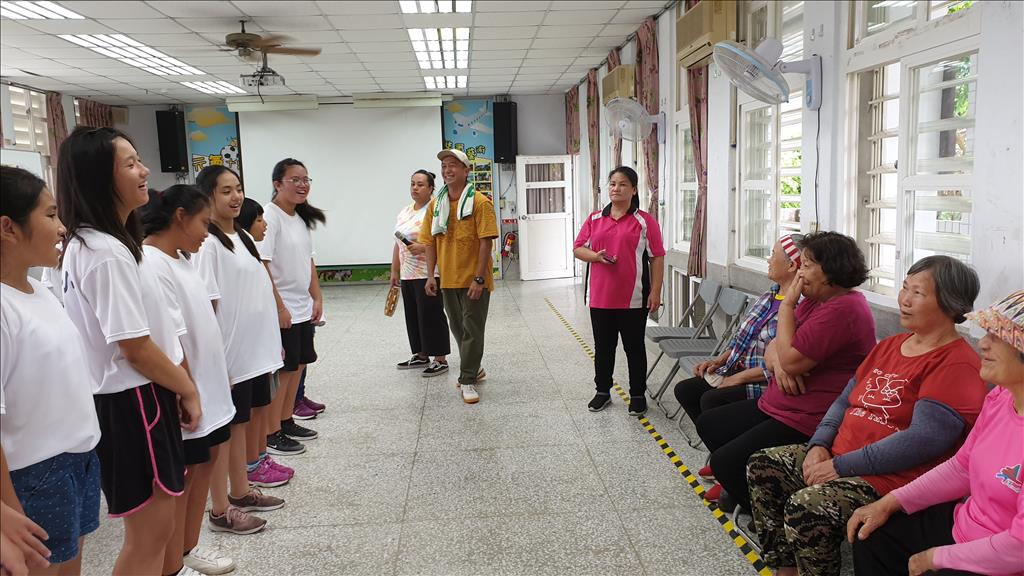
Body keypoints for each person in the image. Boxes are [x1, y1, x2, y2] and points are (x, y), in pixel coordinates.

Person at [747, 256, 988, 576]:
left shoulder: (957, 364)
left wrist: (839, 465)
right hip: (839, 457)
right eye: (904, 288)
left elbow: (922, 442)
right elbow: (844, 401)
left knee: (807, 505)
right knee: (764, 465)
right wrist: (819, 443)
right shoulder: (890, 346)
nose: (904, 299)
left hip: (890, 479)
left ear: (950, 303)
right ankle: (787, 568)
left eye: (918, 292)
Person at [56, 126, 200, 576]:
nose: (144, 171)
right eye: (130, 163)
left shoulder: (101, 243)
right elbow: (134, 346)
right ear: (101, 177)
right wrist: (188, 388)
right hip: (134, 401)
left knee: (155, 530)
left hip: (132, 399)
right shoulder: (104, 252)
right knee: (150, 533)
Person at [695, 231, 876, 511]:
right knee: (711, 423)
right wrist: (780, 360)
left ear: (829, 271)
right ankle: (744, 486)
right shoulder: (818, 299)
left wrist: (789, 306)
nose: (800, 274)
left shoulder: (844, 309)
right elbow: (773, 349)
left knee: (724, 460)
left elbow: (788, 356)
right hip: (780, 402)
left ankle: (764, 509)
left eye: (806, 266)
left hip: (806, 416)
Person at [849, 289, 1024, 576]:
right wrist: (890, 502)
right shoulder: (1000, 399)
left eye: (997, 336)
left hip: (1007, 559)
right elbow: (962, 467)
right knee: (873, 535)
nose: (983, 344)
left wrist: (935, 558)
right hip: (966, 527)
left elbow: (1019, 548)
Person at [1, 166, 101, 576]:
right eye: (49, 215)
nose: (62, 228)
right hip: (33, 474)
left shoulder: (38, 290)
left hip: (76, 460)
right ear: (8, 227)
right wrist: (6, 510)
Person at [139, 185, 238, 576]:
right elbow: (172, 339)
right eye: (203, 223)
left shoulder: (181, 258)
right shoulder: (151, 263)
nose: (206, 233)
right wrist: (189, 390)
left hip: (207, 388)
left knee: (205, 466)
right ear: (180, 217)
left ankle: (188, 549)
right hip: (189, 393)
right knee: (184, 480)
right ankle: (172, 564)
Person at [195, 167, 286, 537]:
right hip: (229, 358)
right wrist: (218, 362)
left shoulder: (243, 238)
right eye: (225, 191)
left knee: (241, 425)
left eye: (238, 190)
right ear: (208, 198)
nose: (235, 197)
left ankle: (241, 491)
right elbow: (208, 306)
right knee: (224, 433)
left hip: (251, 355)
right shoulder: (208, 244)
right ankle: (221, 509)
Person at [674, 234, 803, 451]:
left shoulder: (800, 308)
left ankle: (730, 455)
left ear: (791, 265)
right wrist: (718, 361)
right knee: (685, 390)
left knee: (711, 400)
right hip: (736, 369)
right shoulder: (768, 296)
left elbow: (782, 364)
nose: (769, 260)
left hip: (764, 382)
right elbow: (740, 337)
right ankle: (722, 451)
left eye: (773, 254)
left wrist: (736, 379)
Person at [573, 166, 665, 416]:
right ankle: (602, 391)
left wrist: (655, 291)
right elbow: (578, 248)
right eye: (612, 183)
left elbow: (657, 258)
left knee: (634, 347)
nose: (616, 188)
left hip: (633, 298)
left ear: (634, 190)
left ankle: (637, 394)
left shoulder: (645, 221)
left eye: (623, 184)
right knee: (603, 347)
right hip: (600, 297)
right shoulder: (594, 218)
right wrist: (596, 257)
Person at [419, 149, 499, 404]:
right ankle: (474, 367)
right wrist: (431, 275)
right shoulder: (436, 204)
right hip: (448, 278)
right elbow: (429, 242)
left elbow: (486, 243)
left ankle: (467, 379)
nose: (447, 170)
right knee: (458, 328)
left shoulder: (479, 202)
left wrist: (479, 279)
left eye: (453, 165)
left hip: (474, 279)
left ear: (466, 171)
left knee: (473, 330)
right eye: (444, 166)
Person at [257, 158, 324, 450]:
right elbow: (263, 264)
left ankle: (286, 420)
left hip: (302, 306)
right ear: (277, 184)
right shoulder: (269, 217)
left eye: (306, 179)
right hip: (282, 309)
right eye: (295, 180)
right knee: (284, 371)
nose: (302, 185)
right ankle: (271, 432)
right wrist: (279, 307)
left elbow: (308, 261)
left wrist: (317, 296)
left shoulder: (298, 218)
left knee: (298, 366)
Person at [391, 169, 451, 377]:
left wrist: (423, 248)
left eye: (420, 184)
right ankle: (420, 353)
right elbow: (397, 242)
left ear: (431, 188)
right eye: (412, 184)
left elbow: (444, 242)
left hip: (428, 272)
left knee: (431, 315)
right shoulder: (405, 211)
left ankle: (440, 359)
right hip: (408, 273)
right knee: (413, 316)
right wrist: (394, 270)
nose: (415, 188)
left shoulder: (435, 210)